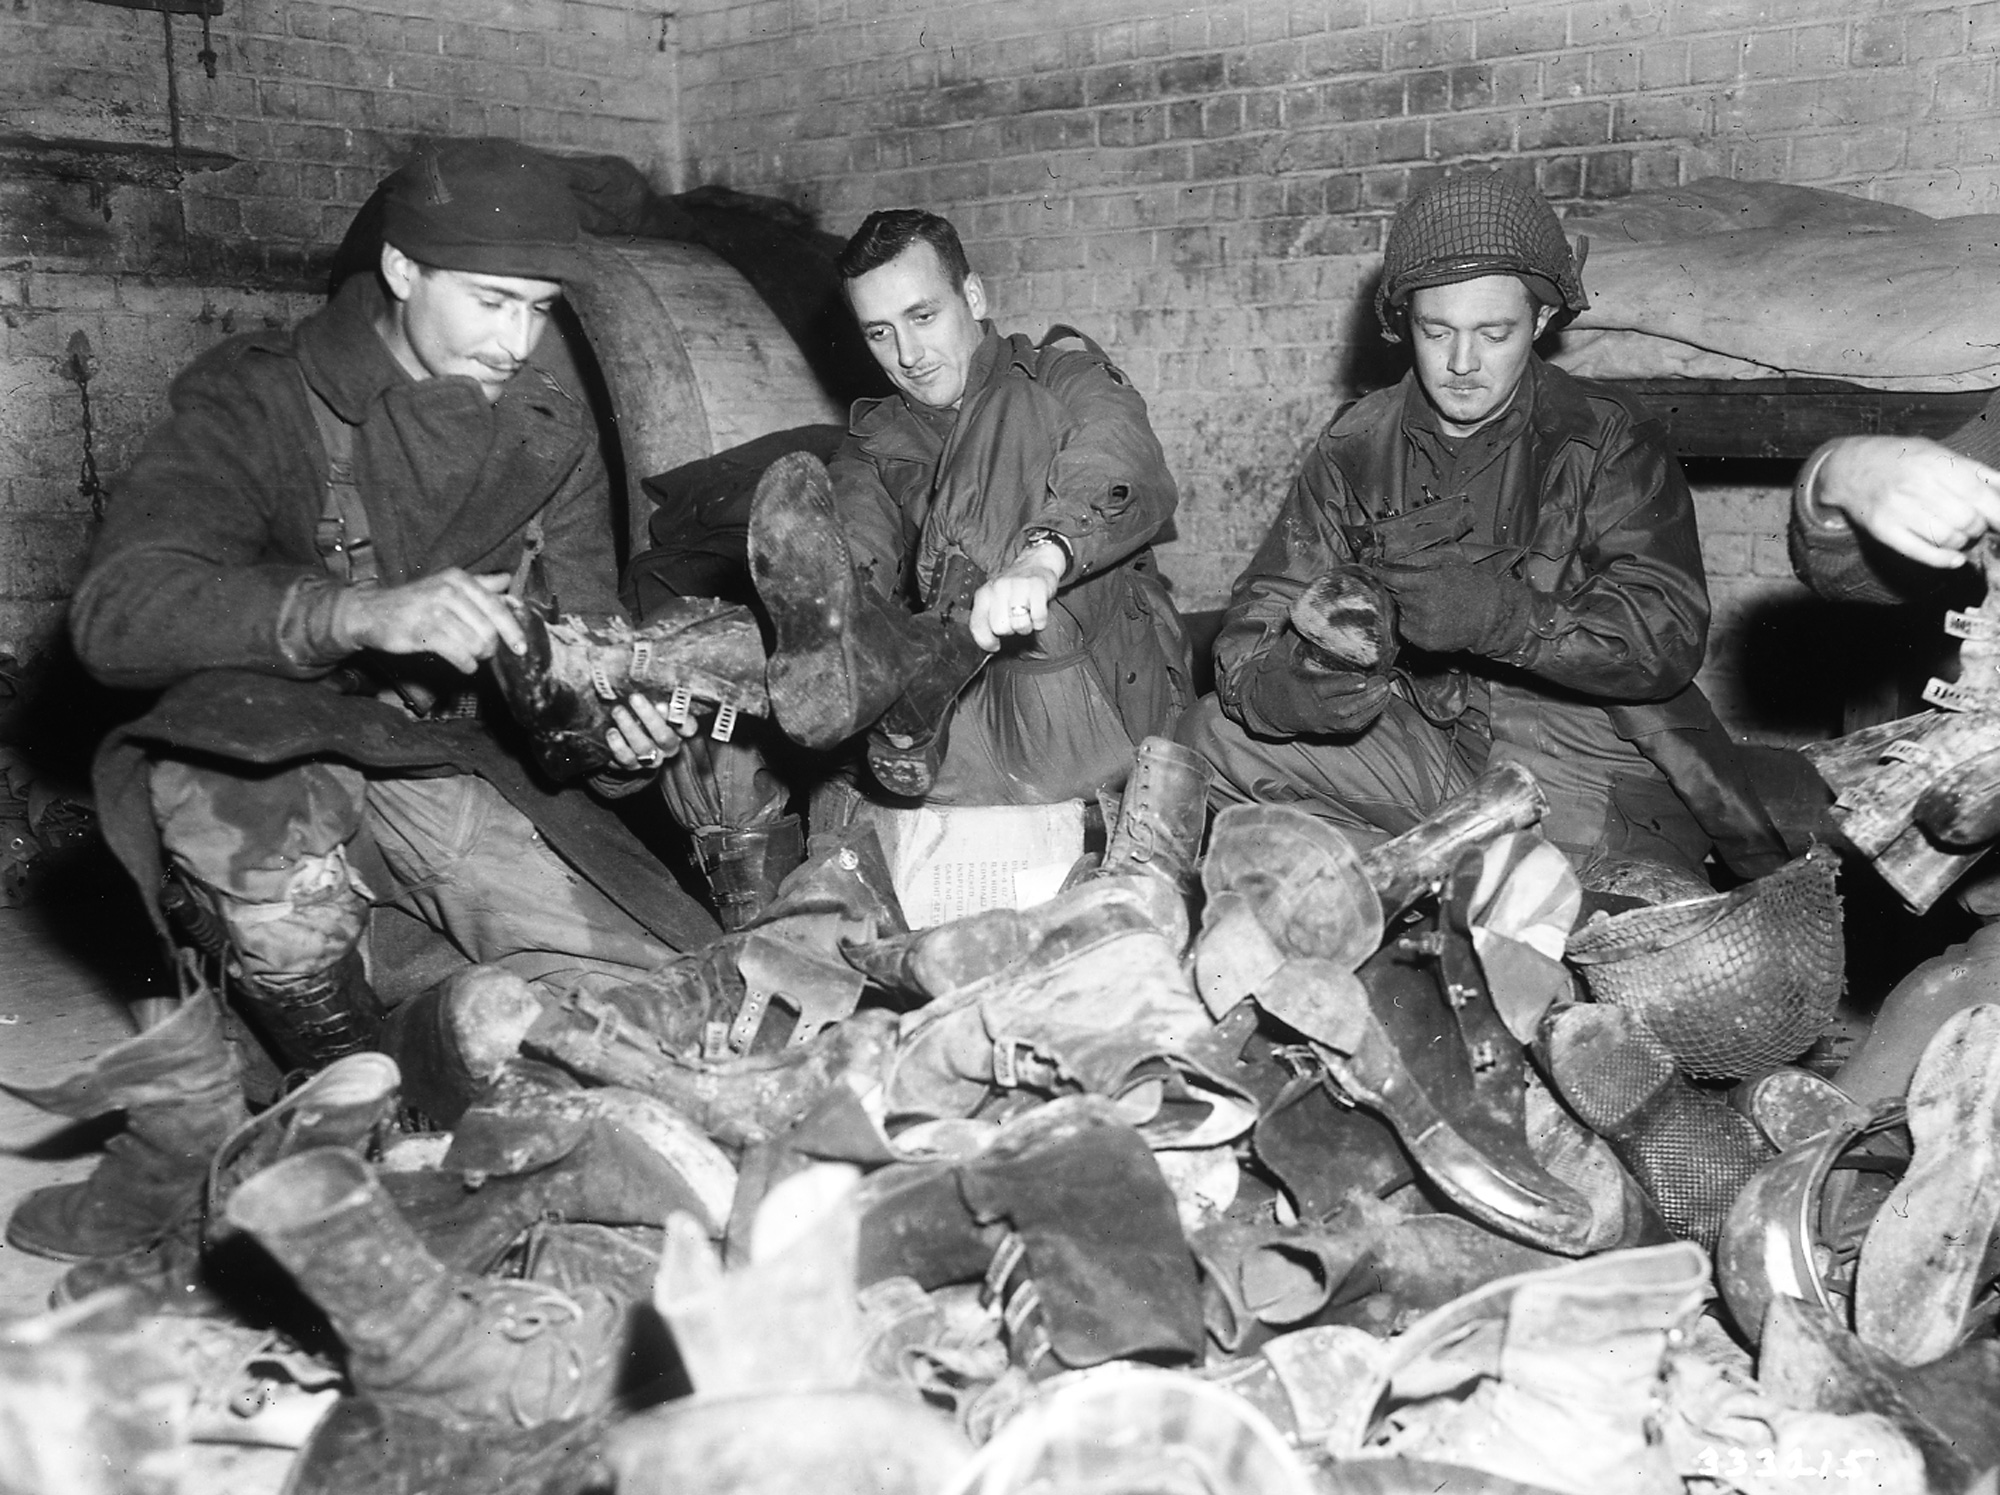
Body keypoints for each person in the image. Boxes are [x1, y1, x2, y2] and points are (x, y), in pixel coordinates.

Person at [66, 140, 715, 1102]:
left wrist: (617, 739)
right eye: (490, 301)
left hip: (453, 771)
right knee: (248, 801)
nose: (516, 341)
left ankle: (436, 1037)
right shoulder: (265, 398)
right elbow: (116, 612)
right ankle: (339, 1085)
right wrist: (358, 614)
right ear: (404, 270)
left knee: (666, 1020)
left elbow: (580, 676)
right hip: (280, 777)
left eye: (539, 308)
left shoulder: (550, 436)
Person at [1180, 172, 1786, 880]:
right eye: (1436, 331)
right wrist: (1287, 689)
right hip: (1429, 739)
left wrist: (1503, 616)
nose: (1461, 364)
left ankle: (1449, 878)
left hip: (1583, 748)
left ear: (1540, 321)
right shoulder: (1358, 443)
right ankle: (1411, 881)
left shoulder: (1604, 437)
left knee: (1554, 913)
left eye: (1494, 333)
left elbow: (1668, 633)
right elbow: (1265, 607)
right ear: (1405, 321)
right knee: (1206, 737)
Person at [746, 208, 1193, 813]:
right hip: (959, 726)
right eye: (879, 333)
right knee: (837, 560)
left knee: (1009, 409)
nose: (908, 354)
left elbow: (1120, 455)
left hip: (1097, 707)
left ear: (974, 297)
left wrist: (1045, 556)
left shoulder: (1058, 376)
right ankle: (884, 664)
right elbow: (857, 536)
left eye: (922, 317)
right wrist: (836, 617)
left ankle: (926, 662)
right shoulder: (874, 441)